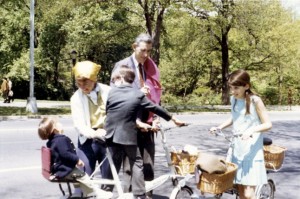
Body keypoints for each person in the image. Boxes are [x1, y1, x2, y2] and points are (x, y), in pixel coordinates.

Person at [105, 65, 185, 199]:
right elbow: (155, 108)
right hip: (126, 136)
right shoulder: (137, 94)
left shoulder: (112, 93)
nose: (114, 83)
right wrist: (173, 119)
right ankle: (140, 194)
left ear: (121, 78)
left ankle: (106, 191)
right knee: (137, 162)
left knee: (114, 163)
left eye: (115, 80)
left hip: (110, 135)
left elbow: (110, 112)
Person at [111, 33, 161, 197]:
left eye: (149, 51)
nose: (146, 55)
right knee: (130, 168)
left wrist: (155, 118)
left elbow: (156, 95)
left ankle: (147, 195)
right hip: (129, 124)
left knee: (147, 165)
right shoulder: (122, 66)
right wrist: (137, 93)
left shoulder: (150, 67)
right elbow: (115, 96)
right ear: (134, 47)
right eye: (143, 51)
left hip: (147, 123)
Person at [210, 69, 272, 199]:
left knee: (249, 194)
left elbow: (268, 124)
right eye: (231, 88)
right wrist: (219, 127)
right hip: (237, 148)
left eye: (236, 88)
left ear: (246, 86)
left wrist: (251, 130)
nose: (233, 92)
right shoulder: (234, 100)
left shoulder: (255, 101)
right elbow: (235, 118)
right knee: (241, 192)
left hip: (251, 150)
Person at [37, 117, 113, 199]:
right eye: (57, 123)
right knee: (83, 177)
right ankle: (95, 192)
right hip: (64, 170)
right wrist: (77, 160)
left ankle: (78, 194)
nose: (60, 124)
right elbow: (65, 154)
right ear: (55, 129)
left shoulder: (53, 140)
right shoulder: (60, 140)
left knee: (77, 177)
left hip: (60, 169)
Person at [70, 61, 111, 193]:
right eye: (79, 83)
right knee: (84, 177)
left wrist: (106, 130)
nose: (82, 86)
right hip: (87, 140)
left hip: (107, 137)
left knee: (109, 178)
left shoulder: (108, 91)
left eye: (85, 82)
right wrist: (94, 134)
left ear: (94, 79)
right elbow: (79, 124)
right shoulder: (76, 98)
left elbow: (116, 113)